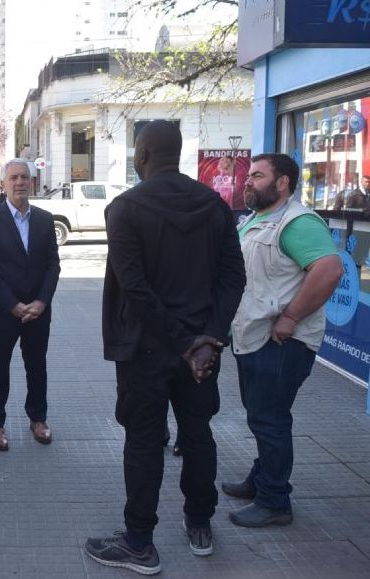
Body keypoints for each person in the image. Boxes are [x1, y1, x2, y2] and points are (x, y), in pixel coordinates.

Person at [86, 120, 246, 575]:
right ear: (178, 154)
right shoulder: (215, 206)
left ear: (141, 155)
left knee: (143, 442)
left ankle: (139, 543)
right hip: (201, 354)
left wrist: (188, 343)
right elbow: (234, 278)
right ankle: (200, 524)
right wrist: (208, 339)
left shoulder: (124, 209)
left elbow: (134, 288)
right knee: (197, 435)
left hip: (147, 350)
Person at [223, 154, 342, 528]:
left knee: (270, 419)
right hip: (253, 336)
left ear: (283, 182)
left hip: (280, 341)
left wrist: (291, 317)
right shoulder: (257, 218)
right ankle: (262, 479)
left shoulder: (297, 222)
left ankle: (274, 500)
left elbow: (329, 269)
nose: (248, 181)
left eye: (258, 176)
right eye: (249, 175)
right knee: (262, 416)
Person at [0, 159, 60, 451]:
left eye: (24, 177)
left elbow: (53, 266)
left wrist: (41, 301)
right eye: (13, 178)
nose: (20, 182)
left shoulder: (45, 220)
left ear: (31, 182)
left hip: (38, 311)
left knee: (37, 366)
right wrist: (13, 305)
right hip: (2, 311)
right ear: (3, 184)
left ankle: (38, 419)